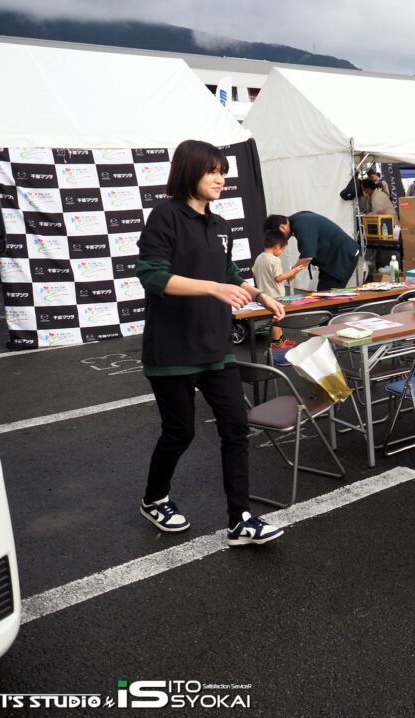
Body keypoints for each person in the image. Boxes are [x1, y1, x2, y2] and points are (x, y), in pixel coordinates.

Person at [136, 139, 285, 546]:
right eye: (212, 172)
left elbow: (228, 273)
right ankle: (154, 498)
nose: (221, 179)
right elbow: (151, 275)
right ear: (190, 172)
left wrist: (259, 295)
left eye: (223, 173)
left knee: (236, 428)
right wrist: (213, 288)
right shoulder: (165, 216)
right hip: (172, 351)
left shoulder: (220, 226)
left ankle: (241, 520)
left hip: (216, 348)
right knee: (180, 433)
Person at [263, 212, 361, 291]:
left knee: (328, 297)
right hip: (332, 259)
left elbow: (307, 256)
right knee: (324, 294)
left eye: (277, 236)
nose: (279, 240)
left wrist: (293, 272)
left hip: (342, 257)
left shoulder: (301, 224)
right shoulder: (299, 218)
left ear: (282, 228)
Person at [252, 229, 306, 350]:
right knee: (277, 319)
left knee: (278, 317)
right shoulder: (274, 260)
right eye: (283, 249)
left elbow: (254, 272)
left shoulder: (259, 258)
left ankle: (281, 339)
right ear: (277, 246)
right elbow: (278, 278)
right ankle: (277, 342)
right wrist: (293, 271)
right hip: (275, 296)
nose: (281, 253)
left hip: (264, 295)